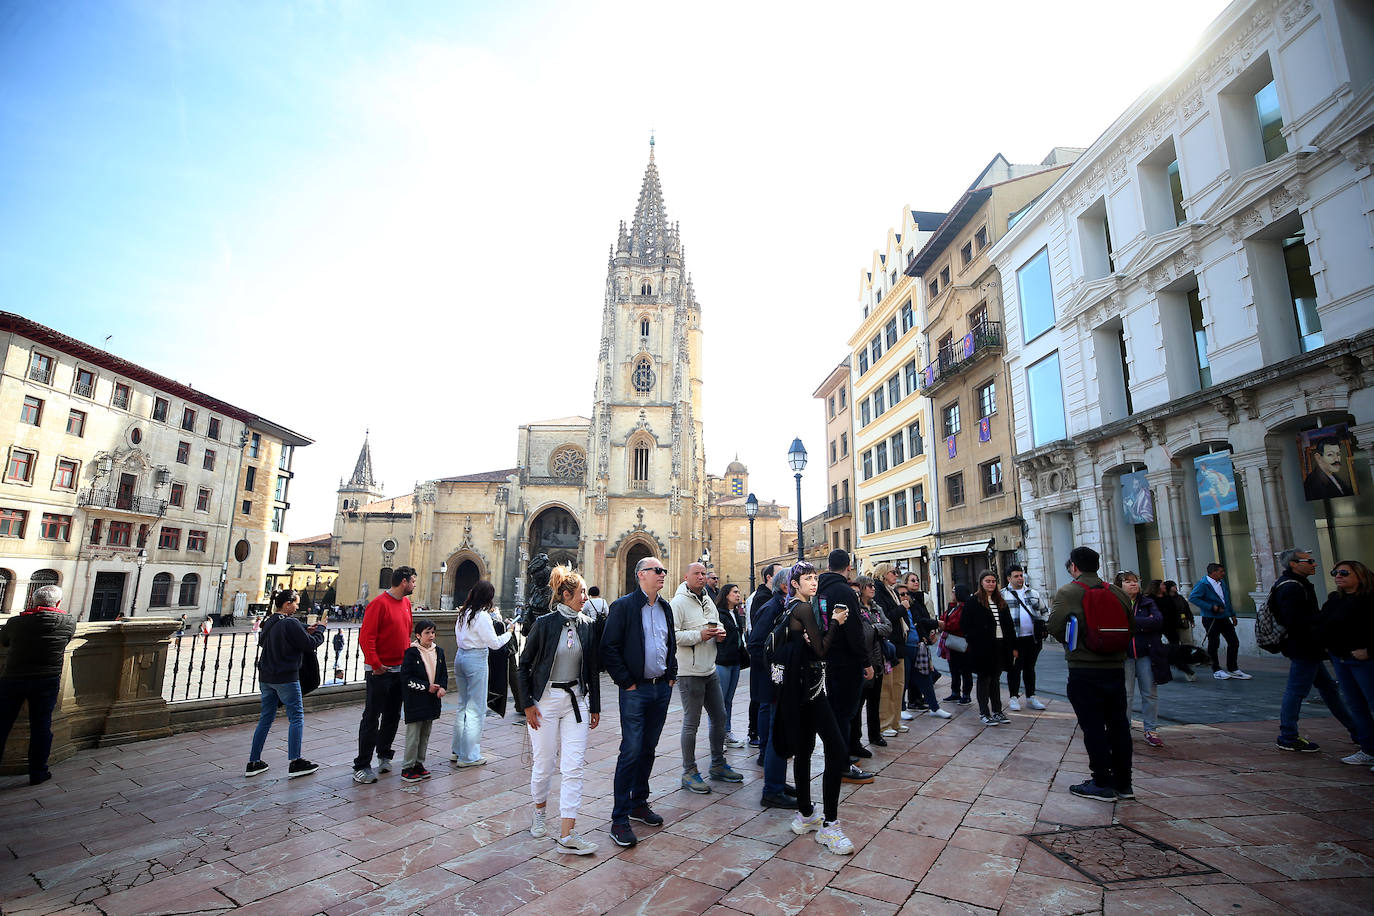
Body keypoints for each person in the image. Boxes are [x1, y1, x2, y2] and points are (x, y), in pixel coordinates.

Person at [771, 561, 856, 855]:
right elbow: (821, 650)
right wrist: (835, 622)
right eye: (807, 578)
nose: (813, 582)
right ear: (794, 583)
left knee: (805, 750)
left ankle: (806, 813)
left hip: (797, 691)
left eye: (815, 578)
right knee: (837, 749)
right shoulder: (803, 608)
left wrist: (815, 636)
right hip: (811, 689)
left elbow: (807, 645)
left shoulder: (788, 608)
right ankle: (830, 825)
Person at [518, 566, 601, 855]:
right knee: (544, 765)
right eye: (580, 593)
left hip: (576, 700)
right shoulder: (545, 624)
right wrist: (527, 703)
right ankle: (539, 811)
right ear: (566, 595)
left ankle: (568, 834)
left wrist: (596, 706)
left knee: (573, 767)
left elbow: (591, 669)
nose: (584, 598)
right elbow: (523, 664)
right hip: (546, 700)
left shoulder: (588, 625)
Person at [601, 556, 678, 848]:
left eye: (663, 571)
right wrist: (627, 681)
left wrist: (671, 674)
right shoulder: (623, 606)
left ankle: (639, 803)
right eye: (657, 571)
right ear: (640, 575)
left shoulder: (665, 607)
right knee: (630, 751)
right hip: (636, 690)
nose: (662, 574)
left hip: (661, 689)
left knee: (648, 749)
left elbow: (668, 644)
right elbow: (609, 647)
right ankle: (619, 819)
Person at [1048, 546, 1135, 802]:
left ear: (1074, 566)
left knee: (1093, 726)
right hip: (1115, 668)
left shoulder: (1069, 591)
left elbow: (1053, 625)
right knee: (1119, 725)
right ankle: (1124, 782)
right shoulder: (1117, 592)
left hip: (1084, 668)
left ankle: (1101, 781)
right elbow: (1130, 625)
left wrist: (1073, 641)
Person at [1271, 548, 1362, 754]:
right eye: (1309, 560)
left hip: (1308, 647)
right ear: (1294, 564)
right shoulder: (1292, 588)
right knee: (1296, 691)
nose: (1314, 564)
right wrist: (1323, 624)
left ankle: (1357, 731)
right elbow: (1296, 622)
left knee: (1328, 689)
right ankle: (1288, 736)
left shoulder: (1297, 584)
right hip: (1305, 647)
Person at [671, 562, 743, 793]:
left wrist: (719, 632)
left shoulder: (707, 599)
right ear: (686, 576)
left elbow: (716, 622)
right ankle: (689, 772)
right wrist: (699, 635)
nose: (702, 577)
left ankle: (718, 764)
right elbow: (673, 636)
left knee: (720, 716)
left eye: (704, 574)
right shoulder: (678, 603)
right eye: (697, 574)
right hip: (689, 671)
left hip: (709, 668)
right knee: (692, 722)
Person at [0, 584, 77, 785]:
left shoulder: (17, 622)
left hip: (13, 679)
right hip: (47, 680)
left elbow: (4, 640)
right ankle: (38, 771)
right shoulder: (68, 621)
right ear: (58, 603)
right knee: (42, 726)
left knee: (2, 724)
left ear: (33, 601)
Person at [245, 589, 325, 779]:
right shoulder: (290, 623)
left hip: (266, 677)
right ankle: (296, 761)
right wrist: (320, 629)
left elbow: (273, 639)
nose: (297, 606)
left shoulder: (271, 621)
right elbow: (309, 644)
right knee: (296, 717)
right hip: (286, 677)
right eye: (295, 603)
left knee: (265, 719)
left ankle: (253, 762)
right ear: (287, 604)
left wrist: (304, 629)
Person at [816, 550, 876, 784]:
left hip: (826, 658)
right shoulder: (844, 591)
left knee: (836, 713)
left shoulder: (819, 589)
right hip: (845, 662)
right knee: (844, 714)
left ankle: (839, 758)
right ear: (848, 566)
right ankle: (840, 763)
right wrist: (865, 662)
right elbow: (854, 631)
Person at [353, 566, 416, 784]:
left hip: (399, 670)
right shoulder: (378, 604)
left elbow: (405, 633)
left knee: (392, 715)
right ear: (404, 582)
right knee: (372, 716)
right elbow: (366, 637)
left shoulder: (406, 604)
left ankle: (384, 754)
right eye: (413, 581)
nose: (415, 585)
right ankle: (362, 765)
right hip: (380, 671)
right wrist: (376, 664)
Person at [750, 565, 798, 810]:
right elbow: (756, 646)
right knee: (774, 736)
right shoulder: (771, 608)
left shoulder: (782, 606)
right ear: (784, 586)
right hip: (772, 686)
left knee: (778, 736)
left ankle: (776, 782)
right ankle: (772, 790)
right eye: (799, 580)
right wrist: (777, 672)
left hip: (776, 685)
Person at [1319, 559, 1374, 769]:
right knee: (1356, 705)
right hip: (1341, 658)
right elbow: (1322, 623)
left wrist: (1368, 651)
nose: (1338, 576)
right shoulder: (1335, 599)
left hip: (1365, 660)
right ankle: (1369, 749)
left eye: (1344, 573)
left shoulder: (1369, 599)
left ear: (1360, 576)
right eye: (1335, 572)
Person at [450, 581, 511, 767]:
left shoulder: (463, 612)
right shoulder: (482, 616)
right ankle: (469, 756)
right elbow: (494, 643)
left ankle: (458, 750)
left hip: (460, 658)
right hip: (476, 660)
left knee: (462, 706)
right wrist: (509, 632)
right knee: (476, 708)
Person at [1116, 572, 1168, 748]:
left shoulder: (1147, 602)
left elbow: (1158, 621)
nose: (1133, 584)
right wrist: (1144, 622)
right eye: (1128, 582)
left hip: (1146, 653)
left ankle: (1151, 730)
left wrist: (1131, 622)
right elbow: (1116, 624)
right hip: (1125, 655)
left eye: (1135, 581)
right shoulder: (1116, 602)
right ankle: (1124, 729)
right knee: (1126, 694)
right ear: (1119, 585)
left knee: (1149, 693)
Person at [963, 571, 1015, 726]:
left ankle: (997, 711)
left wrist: (1012, 646)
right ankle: (984, 712)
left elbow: (1008, 625)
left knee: (996, 679)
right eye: (988, 581)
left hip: (1000, 645)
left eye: (993, 581)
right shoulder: (973, 601)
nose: (991, 584)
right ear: (981, 582)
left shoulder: (1000, 601)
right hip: (982, 647)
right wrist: (975, 641)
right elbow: (966, 624)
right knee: (984, 679)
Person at [400, 619, 447, 782]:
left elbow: (443, 674)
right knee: (413, 734)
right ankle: (408, 766)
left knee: (425, 733)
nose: (431, 636)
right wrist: (426, 686)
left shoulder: (439, 652)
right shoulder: (411, 653)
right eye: (427, 633)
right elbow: (406, 678)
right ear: (418, 635)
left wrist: (442, 687)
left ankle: (419, 763)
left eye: (433, 632)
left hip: (432, 700)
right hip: (416, 700)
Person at [1188, 563, 1251, 680]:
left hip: (1224, 617)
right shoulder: (1203, 584)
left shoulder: (1222, 583)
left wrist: (1232, 614)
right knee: (1214, 643)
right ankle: (1216, 669)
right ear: (1213, 572)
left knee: (1233, 642)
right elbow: (1193, 597)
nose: (1223, 573)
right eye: (1221, 571)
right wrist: (1211, 607)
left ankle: (1233, 668)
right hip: (1210, 618)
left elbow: (1226, 600)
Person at [1002, 566, 1048, 711]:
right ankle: (1014, 697)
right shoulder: (1003, 595)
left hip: (1032, 638)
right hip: (1014, 639)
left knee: (1030, 668)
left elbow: (1044, 611)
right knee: (1014, 669)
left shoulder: (1033, 593)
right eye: (1016, 576)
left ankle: (1031, 696)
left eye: (1021, 575)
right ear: (1009, 579)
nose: (1020, 578)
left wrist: (1043, 626)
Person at [872, 563, 908, 737]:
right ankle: (884, 723)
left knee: (898, 684)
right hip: (888, 645)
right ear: (883, 574)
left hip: (899, 644)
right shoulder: (879, 593)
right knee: (887, 687)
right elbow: (885, 618)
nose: (896, 575)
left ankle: (895, 720)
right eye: (893, 572)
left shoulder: (892, 591)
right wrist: (902, 608)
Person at [745, 563, 778, 748]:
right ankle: (756, 734)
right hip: (763, 659)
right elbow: (758, 636)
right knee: (762, 700)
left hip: (765, 658)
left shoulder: (769, 598)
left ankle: (760, 735)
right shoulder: (764, 600)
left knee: (763, 699)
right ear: (769, 578)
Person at [714, 583, 748, 748]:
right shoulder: (719, 615)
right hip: (723, 662)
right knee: (719, 702)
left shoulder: (734, 614)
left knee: (728, 700)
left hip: (735, 662)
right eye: (735, 592)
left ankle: (727, 732)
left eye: (738, 591)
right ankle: (718, 737)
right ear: (726, 595)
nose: (738, 595)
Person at [941, 583, 974, 706]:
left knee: (965, 670)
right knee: (953, 669)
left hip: (963, 644)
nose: (952, 593)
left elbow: (957, 624)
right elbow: (944, 617)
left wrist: (944, 625)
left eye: (954, 591)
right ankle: (955, 692)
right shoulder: (953, 607)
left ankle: (966, 694)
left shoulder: (965, 608)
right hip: (952, 643)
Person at [1159, 580, 1198, 681]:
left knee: (1187, 642)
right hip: (1171, 626)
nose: (1175, 587)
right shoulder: (1165, 598)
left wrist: (1191, 619)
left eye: (1175, 585)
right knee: (1174, 646)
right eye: (1173, 586)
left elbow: (1186, 608)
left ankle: (1189, 660)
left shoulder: (1179, 597)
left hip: (1183, 623)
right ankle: (1182, 664)